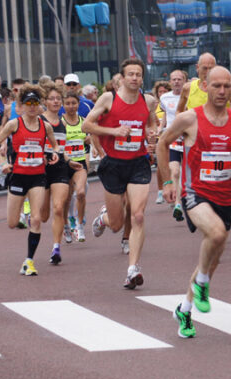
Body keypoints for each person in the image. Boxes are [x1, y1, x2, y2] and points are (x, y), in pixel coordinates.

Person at [157, 66, 231, 338]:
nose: (222, 91)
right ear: (205, 86)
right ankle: (201, 284)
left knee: (212, 258)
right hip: (194, 193)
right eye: (217, 86)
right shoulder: (189, 118)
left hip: (224, 196)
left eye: (227, 86)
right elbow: (162, 143)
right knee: (215, 233)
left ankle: (185, 309)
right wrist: (166, 182)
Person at [84, 58, 160, 289]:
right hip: (114, 164)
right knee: (117, 224)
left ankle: (132, 268)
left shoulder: (148, 101)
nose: (135, 78)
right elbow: (86, 126)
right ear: (123, 77)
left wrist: (152, 134)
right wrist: (113, 131)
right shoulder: (109, 98)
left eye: (138, 74)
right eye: (131, 74)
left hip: (138, 163)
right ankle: (103, 219)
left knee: (137, 215)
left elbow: (152, 124)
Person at [0, 85, 60, 275]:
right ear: (22, 105)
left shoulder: (45, 126)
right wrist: (3, 162)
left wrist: (54, 154)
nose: (31, 107)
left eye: (35, 103)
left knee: (36, 220)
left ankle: (29, 261)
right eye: (28, 103)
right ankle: (19, 214)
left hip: (38, 176)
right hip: (18, 177)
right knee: (12, 223)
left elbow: (55, 146)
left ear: (40, 106)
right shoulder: (14, 124)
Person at [40, 86, 81, 264]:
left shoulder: (63, 123)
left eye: (58, 98)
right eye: (52, 98)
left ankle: (56, 248)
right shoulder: (39, 121)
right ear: (45, 102)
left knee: (58, 207)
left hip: (60, 169)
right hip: (41, 169)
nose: (56, 101)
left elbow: (61, 148)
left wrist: (69, 160)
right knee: (43, 215)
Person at [61, 91, 91, 242]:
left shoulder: (83, 121)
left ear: (78, 104)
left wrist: (90, 139)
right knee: (66, 199)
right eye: (67, 103)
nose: (71, 106)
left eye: (74, 103)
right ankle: (66, 225)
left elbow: (91, 139)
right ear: (63, 105)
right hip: (65, 165)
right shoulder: (61, 123)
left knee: (80, 193)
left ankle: (80, 225)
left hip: (80, 163)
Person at [160, 69, 188, 221]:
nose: (176, 81)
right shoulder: (165, 97)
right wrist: (160, 128)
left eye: (179, 79)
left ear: (185, 81)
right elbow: (166, 114)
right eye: (174, 79)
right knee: (175, 172)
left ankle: (190, 201)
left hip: (189, 139)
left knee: (189, 175)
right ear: (170, 81)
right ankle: (178, 204)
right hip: (173, 140)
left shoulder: (190, 96)